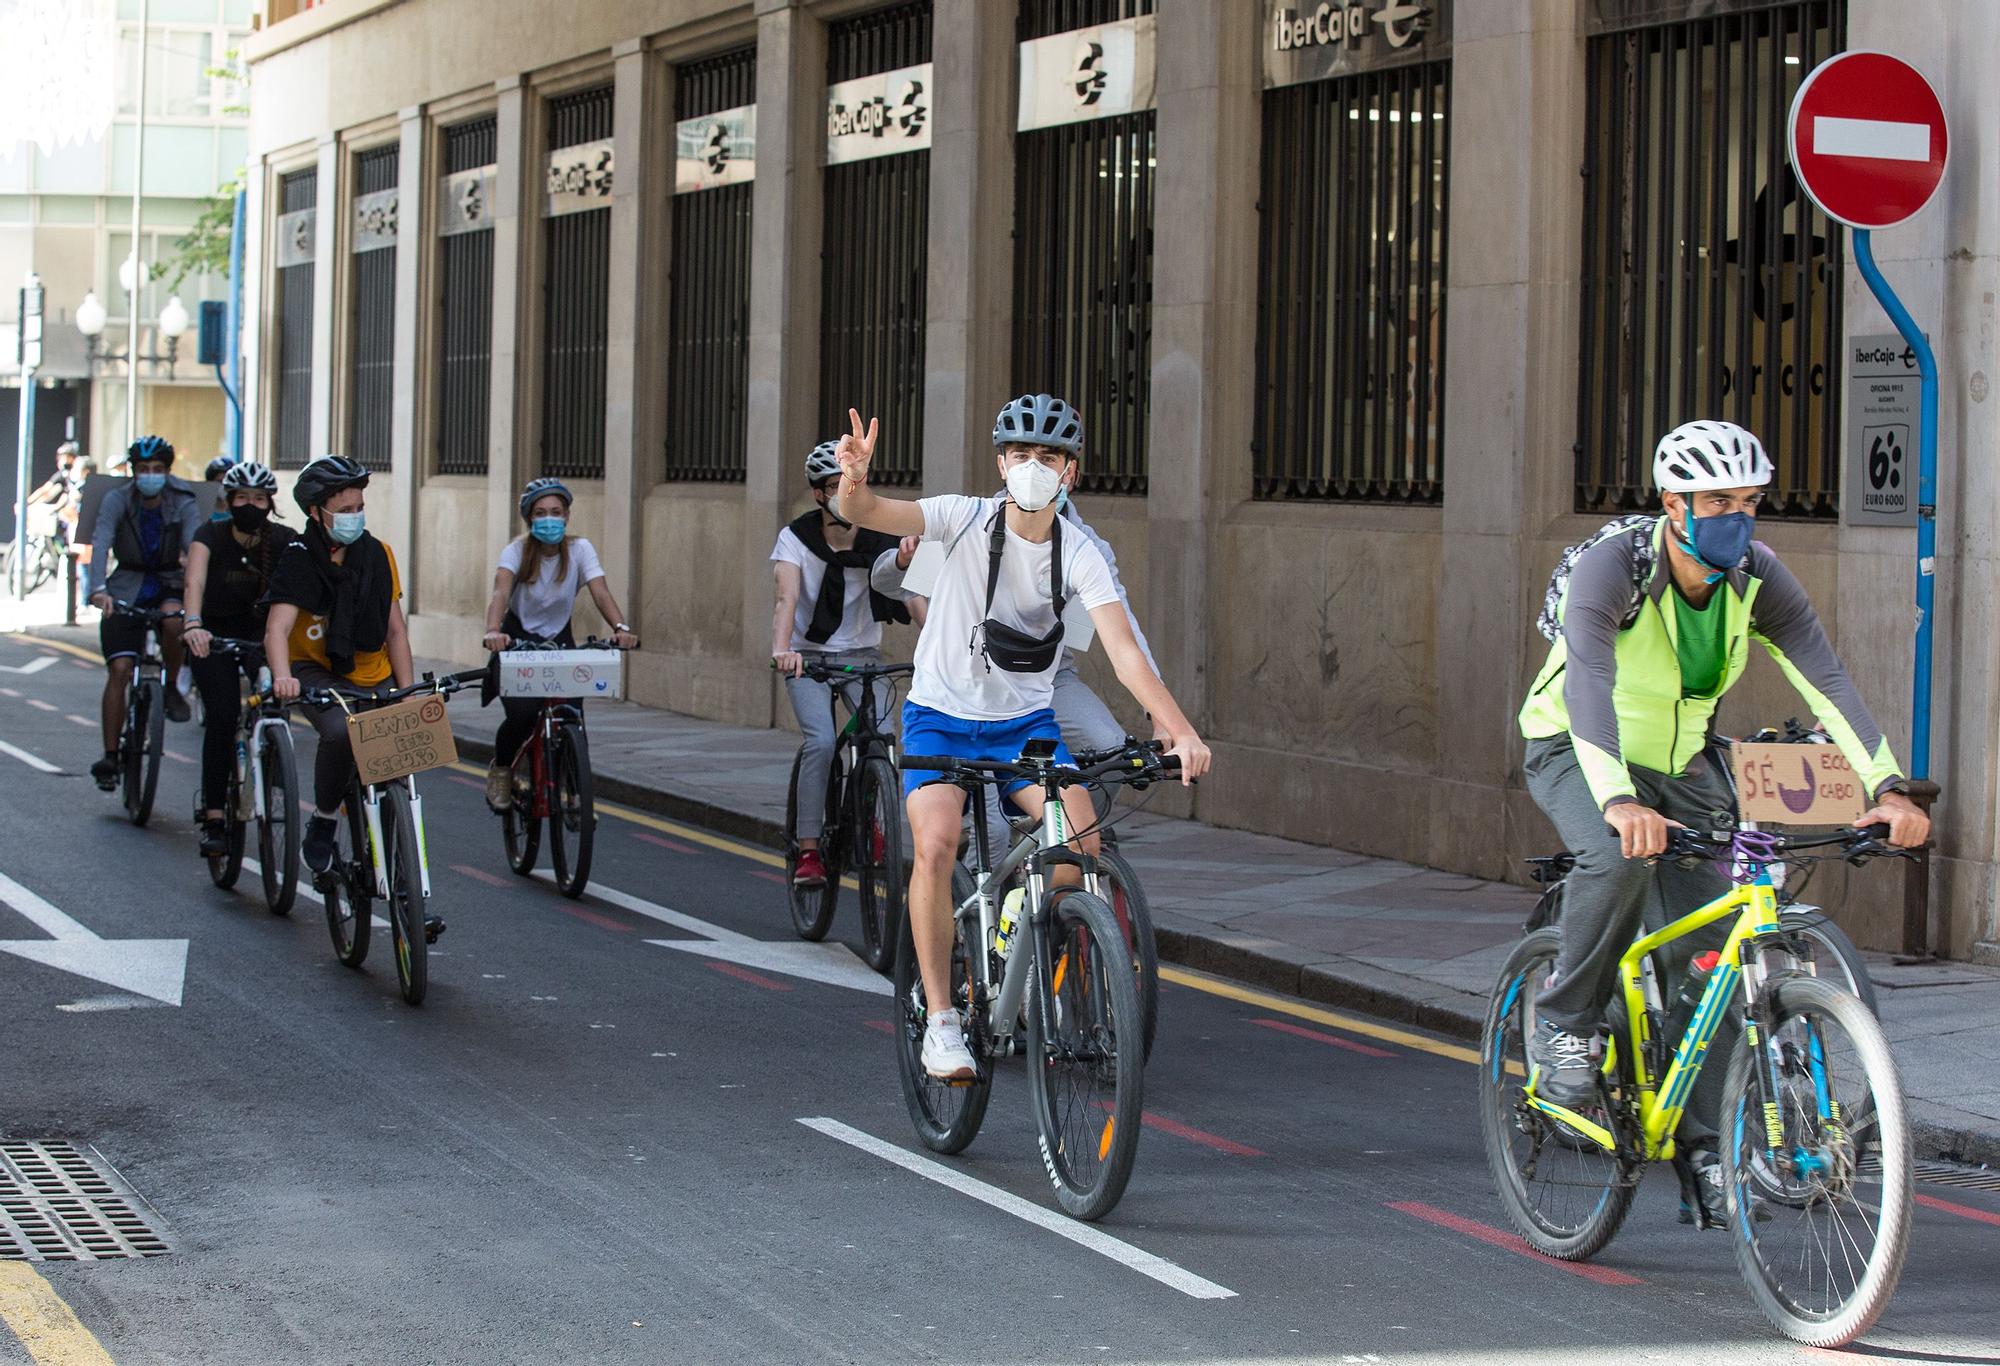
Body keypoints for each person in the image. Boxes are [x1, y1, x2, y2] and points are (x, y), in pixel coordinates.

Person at [1518, 418, 1929, 1216]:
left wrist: (1886, 785)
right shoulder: (1613, 570)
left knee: (1709, 947)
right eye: (1716, 501)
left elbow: (1826, 683)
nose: (1735, 517)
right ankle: (1566, 1023)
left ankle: (1704, 1145)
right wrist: (1617, 801)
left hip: (1680, 761)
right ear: (1674, 504)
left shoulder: (1756, 578)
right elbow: (1589, 690)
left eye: (1748, 501)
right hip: (1577, 748)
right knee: (1615, 859)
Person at [832, 394, 1211, 1079]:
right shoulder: (961, 517)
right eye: (1022, 455)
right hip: (940, 716)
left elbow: (1124, 652)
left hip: (1024, 728)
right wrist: (853, 481)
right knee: (939, 843)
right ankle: (943, 1021)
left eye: (1050, 457)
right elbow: (867, 515)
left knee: (1083, 844)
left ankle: (1012, 919)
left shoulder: (1082, 551)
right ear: (1001, 462)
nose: (1034, 468)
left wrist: (1177, 727)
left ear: (1070, 473)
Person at [263, 455, 417, 896]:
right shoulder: (298, 559)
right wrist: (282, 677)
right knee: (341, 731)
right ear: (317, 513)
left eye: (359, 508)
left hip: (373, 670)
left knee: (402, 761)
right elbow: (277, 628)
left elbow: (395, 631)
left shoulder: (379, 554)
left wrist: (405, 692)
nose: (355, 518)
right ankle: (326, 818)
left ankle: (407, 877)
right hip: (316, 672)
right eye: (344, 511)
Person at [771, 441, 918, 886]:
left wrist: (937, 648)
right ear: (818, 495)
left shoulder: (882, 542)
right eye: (834, 488)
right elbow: (786, 598)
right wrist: (783, 650)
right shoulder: (795, 539)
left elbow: (913, 596)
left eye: (850, 486)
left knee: (884, 739)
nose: (843, 495)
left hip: (862, 658)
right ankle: (810, 850)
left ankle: (876, 824)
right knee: (819, 741)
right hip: (808, 658)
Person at [477, 477, 639, 809]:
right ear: (529, 518)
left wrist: (621, 627)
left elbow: (600, 591)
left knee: (571, 715)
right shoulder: (517, 552)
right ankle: (503, 770)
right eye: (540, 512)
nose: (549, 518)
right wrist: (494, 631)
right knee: (522, 717)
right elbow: (500, 592)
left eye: (556, 511)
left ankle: (575, 790)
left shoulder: (580, 550)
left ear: (566, 516)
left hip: (559, 641)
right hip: (518, 640)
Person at [182, 462, 287, 857]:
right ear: (228, 500)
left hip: (260, 638)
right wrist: (193, 623)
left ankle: (277, 763)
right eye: (242, 497)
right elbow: (194, 581)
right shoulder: (209, 535)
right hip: (212, 637)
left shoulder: (282, 540)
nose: (250, 505)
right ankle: (212, 814)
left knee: (278, 697)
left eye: (258, 498)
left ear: (269, 503)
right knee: (223, 717)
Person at [85, 436, 202, 789]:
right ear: (133, 472)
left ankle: (170, 686)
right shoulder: (116, 499)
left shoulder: (183, 500)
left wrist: (196, 592)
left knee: (173, 621)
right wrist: (97, 590)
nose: (150, 475)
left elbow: (195, 546)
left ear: (167, 472)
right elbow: (101, 541)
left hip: (169, 580)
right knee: (119, 669)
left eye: (157, 470)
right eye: (143, 470)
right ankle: (109, 755)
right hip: (126, 584)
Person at [202, 456, 233, 524]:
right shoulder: (200, 512)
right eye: (219, 482)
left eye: (226, 482)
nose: (223, 486)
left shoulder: (238, 513)